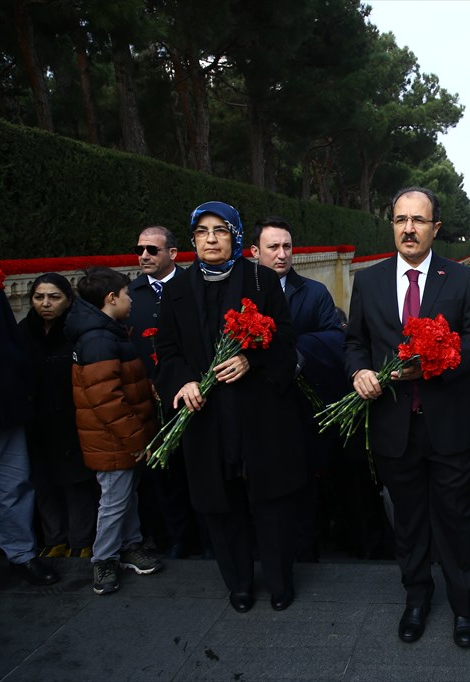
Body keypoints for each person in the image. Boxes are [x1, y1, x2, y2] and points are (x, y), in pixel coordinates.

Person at [344, 186, 470, 648]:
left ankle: (464, 607)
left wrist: (437, 362)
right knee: (406, 521)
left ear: (435, 228)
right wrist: (360, 372)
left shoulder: (461, 278)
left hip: (449, 425)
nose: (408, 229)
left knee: (455, 518)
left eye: (418, 220)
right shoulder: (368, 281)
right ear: (392, 224)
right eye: (400, 219)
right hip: (393, 427)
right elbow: (354, 342)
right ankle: (416, 599)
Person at [155, 201, 305, 613]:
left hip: (258, 414)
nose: (211, 238)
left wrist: (249, 360)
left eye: (220, 230)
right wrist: (184, 380)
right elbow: (166, 350)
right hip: (207, 418)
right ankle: (238, 584)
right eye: (202, 231)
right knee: (221, 505)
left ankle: (279, 582)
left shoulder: (260, 279)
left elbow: (286, 341)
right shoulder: (177, 289)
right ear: (192, 240)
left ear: (236, 236)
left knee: (271, 503)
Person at [250, 216, 345, 562]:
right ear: (255, 251)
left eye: (287, 246)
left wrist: (294, 353)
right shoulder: (244, 292)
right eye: (273, 247)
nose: (281, 254)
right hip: (258, 408)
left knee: (306, 481)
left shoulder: (315, 293)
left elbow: (335, 339)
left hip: (303, 406)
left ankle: (307, 547)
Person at [66, 267, 162, 595]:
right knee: (114, 500)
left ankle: (130, 546)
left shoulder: (108, 332)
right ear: (111, 298)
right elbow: (107, 400)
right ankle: (104, 558)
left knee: (125, 495)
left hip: (119, 437)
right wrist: (137, 440)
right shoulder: (98, 339)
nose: (130, 299)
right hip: (114, 439)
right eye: (126, 294)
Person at [0, 251, 59, 586]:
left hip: (0, 405)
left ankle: (21, 555)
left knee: (13, 485)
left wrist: (18, 381)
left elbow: (8, 335)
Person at [127, 225, 199, 560]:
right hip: (149, 404)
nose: (144, 256)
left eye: (152, 250)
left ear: (173, 253)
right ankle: (175, 538)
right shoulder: (132, 294)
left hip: (193, 398)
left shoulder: (193, 286)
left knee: (196, 469)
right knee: (162, 473)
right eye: (140, 250)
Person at [18, 274, 98, 559]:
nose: (46, 304)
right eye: (39, 297)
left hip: (73, 420)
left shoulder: (78, 330)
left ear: (68, 299)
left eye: (54, 297)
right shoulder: (24, 332)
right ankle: (55, 540)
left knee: (77, 485)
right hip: (37, 423)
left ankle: (81, 542)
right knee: (45, 484)